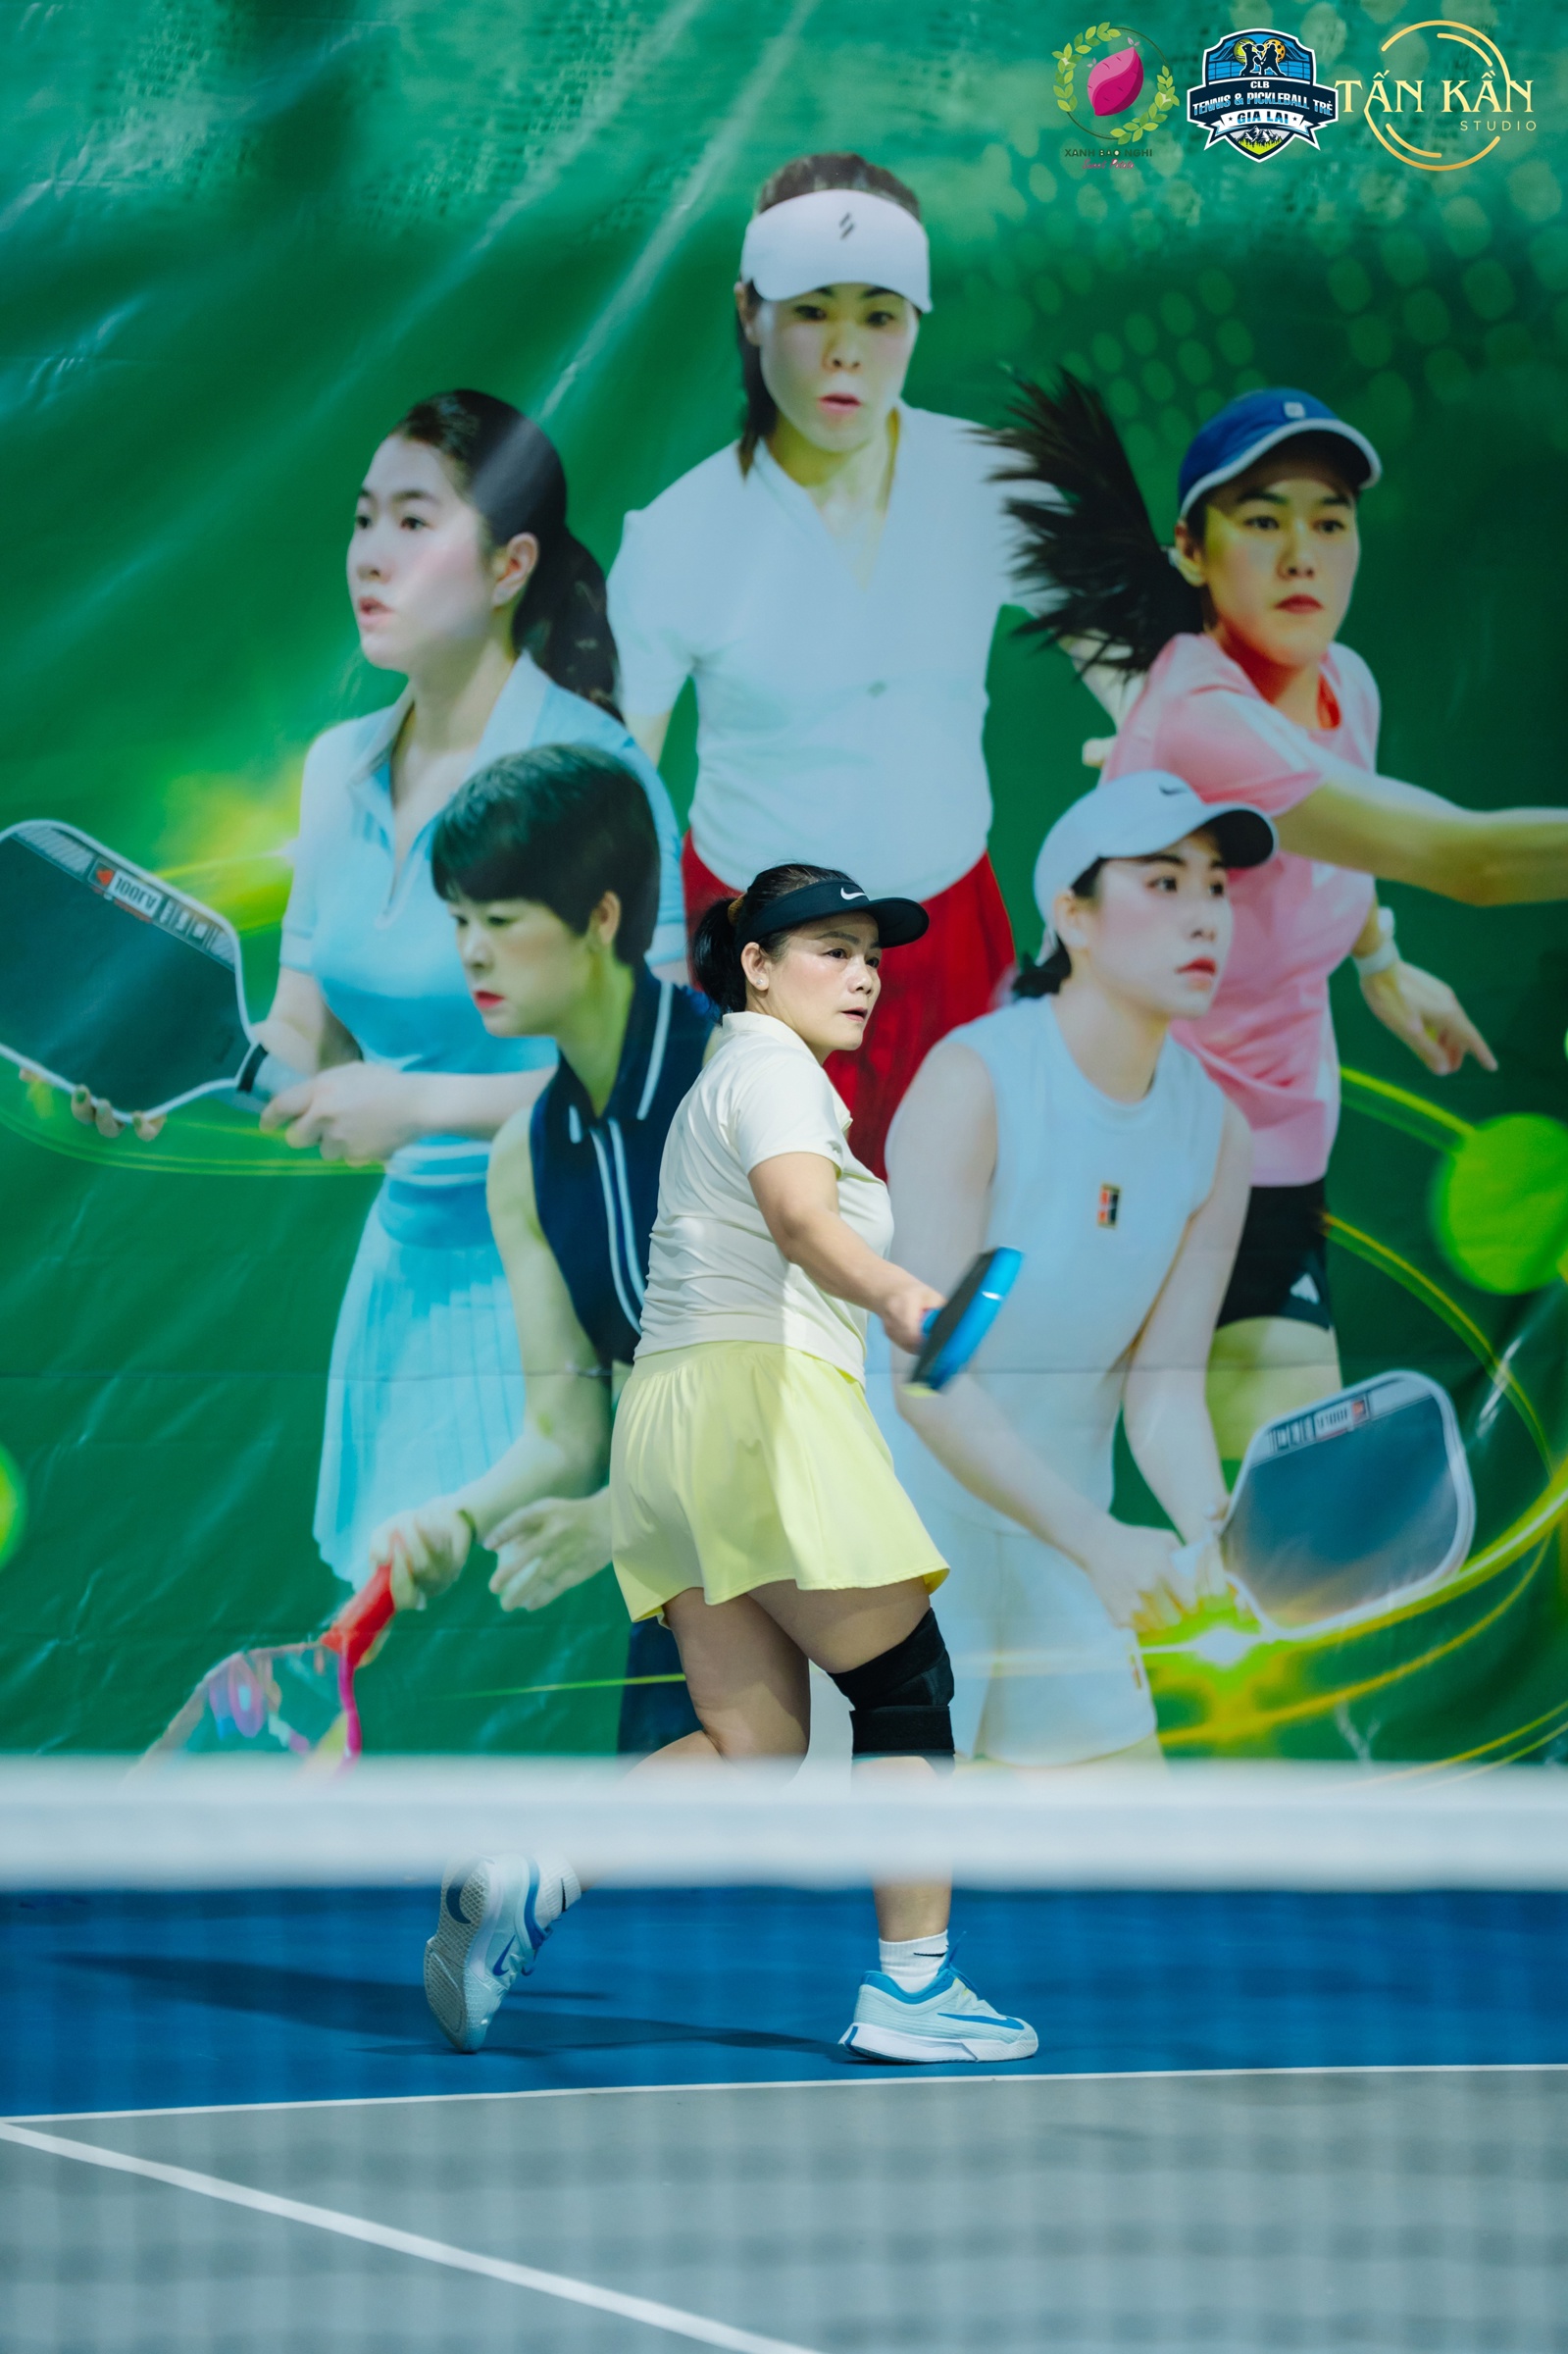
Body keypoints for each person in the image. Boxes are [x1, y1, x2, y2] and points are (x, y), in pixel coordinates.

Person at [423, 864, 1038, 2066]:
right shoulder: (771, 1071)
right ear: (755, 967)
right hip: (762, 1406)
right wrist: (902, 1297)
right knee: (904, 1690)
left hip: (673, 1421)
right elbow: (802, 1220)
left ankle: (537, 1876)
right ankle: (916, 1987)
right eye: (831, 950)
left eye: (872, 956)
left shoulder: (732, 1076)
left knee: (752, 1746)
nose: (863, 976)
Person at [75, 389, 684, 1590]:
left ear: (511, 566)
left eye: (415, 520)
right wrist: (170, 1071)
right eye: (364, 520)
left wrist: (420, 1107)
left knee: (527, 1652)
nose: (370, 555)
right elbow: (305, 1035)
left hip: (575, 1284)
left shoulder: (595, 773)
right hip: (404, 1286)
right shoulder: (334, 767)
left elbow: (656, 1080)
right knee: (382, 1648)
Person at [993, 375, 1568, 1459]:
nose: (1303, 554)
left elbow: (1336, 843)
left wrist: (1379, 957)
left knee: (1293, 1485)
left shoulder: (1346, 683)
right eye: (1262, 522)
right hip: (1128, 1152)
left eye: (1330, 522)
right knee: (1084, 1476)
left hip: (1272, 1152)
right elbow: (1474, 862)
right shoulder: (1204, 720)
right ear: (1191, 550)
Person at [606, 152, 1108, 1177]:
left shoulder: (997, 485)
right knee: (768, 1235)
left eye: (878, 315)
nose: (845, 351)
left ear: (916, 320)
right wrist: (653, 987)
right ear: (749, 312)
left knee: (960, 1219)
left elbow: (1161, 701)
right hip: (752, 951)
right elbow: (616, 802)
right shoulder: (676, 537)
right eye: (810, 311)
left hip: (951, 934)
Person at [880, 772, 1262, 1767]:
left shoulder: (1217, 1132)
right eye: (1164, 883)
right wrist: (1097, 1541)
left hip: (1064, 1539)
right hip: (900, 1537)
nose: (1204, 916)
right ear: (1073, 917)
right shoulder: (974, 1081)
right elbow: (929, 1376)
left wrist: (1214, 1537)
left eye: (1215, 888)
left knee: (1132, 1850)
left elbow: (1164, 1390)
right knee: (894, 1855)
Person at [368, 742, 706, 1753]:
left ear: (600, 917)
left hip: (829, 1568)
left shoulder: (741, 1084)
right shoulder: (527, 1156)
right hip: (684, 1591)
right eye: (459, 921)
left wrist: (615, 1523)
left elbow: (811, 1385)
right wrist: (456, 1520)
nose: (472, 953)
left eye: (502, 921)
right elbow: (566, 1430)